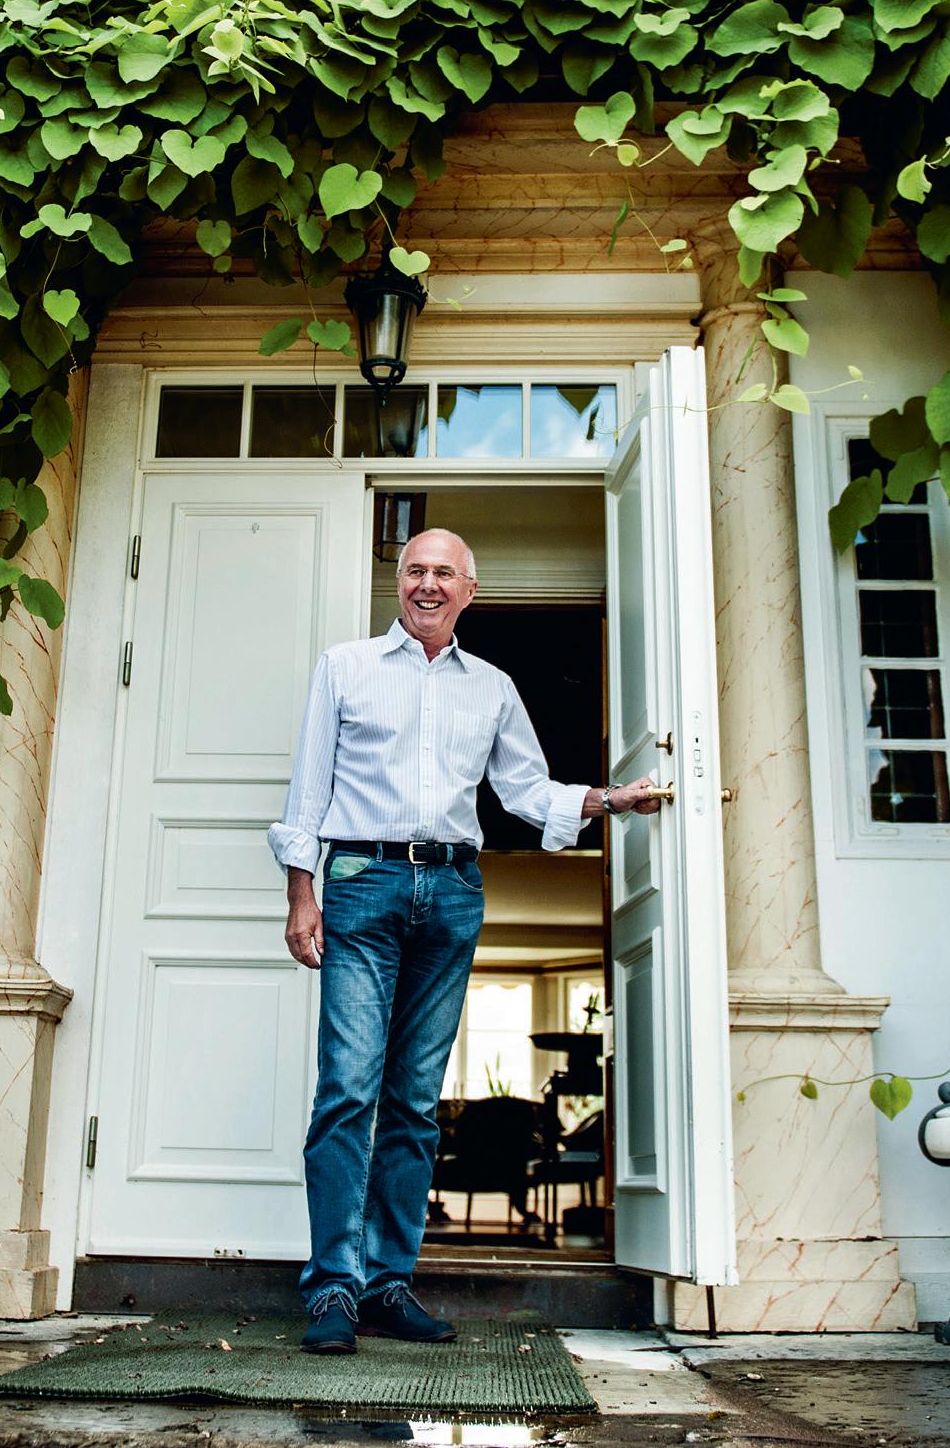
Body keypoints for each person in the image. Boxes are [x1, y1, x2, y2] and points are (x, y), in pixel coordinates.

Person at [267, 528, 661, 1356]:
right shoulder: (345, 667)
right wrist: (302, 893)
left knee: (414, 1099)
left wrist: (611, 800)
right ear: (399, 582)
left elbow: (525, 789)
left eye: (444, 572)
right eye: (415, 569)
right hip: (362, 881)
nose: (428, 583)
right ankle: (333, 1287)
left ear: (469, 590)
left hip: (451, 892)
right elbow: (307, 789)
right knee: (347, 1089)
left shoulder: (492, 687)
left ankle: (388, 1283)